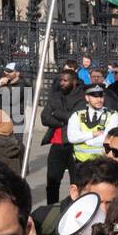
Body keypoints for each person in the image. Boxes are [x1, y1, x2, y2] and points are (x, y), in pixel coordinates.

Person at [31, 156, 118, 235]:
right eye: (95, 201)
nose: (103, 210)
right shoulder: (44, 218)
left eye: (110, 203)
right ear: (74, 192)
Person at [41, 69, 85, 205]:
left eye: (65, 80)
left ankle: (75, 208)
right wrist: (61, 121)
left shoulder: (82, 97)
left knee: (76, 182)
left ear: (74, 82)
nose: (62, 83)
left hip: (74, 145)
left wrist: (55, 112)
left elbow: (74, 118)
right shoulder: (55, 96)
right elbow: (44, 117)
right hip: (57, 144)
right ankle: (51, 207)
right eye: (61, 80)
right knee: (52, 181)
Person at [67, 84, 118, 164]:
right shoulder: (77, 115)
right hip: (80, 163)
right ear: (87, 98)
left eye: (101, 96)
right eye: (95, 97)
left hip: (102, 163)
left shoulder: (113, 115)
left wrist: (84, 141)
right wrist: (92, 134)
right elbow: (72, 138)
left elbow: (107, 139)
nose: (99, 100)